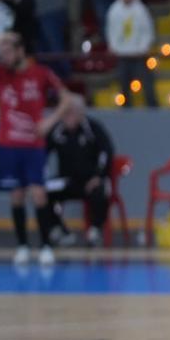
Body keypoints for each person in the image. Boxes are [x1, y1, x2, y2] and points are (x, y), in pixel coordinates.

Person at [0, 31, 70, 266]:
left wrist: (50, 121)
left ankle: (45, 246)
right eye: (1, 52)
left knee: (39, 194)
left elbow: (66, 98)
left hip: (33, 145)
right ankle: (22, 246)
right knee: (16, 195)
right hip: (8, 144)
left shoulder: (40, 74)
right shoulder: (0, 73)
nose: (3, 56)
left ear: (20, 50)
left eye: (8, 50)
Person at [43, 95, 115, 247]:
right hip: (66, 181)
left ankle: (95, 230)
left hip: (90, 180)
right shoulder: (58, 131)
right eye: (65, 113)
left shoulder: (93, 128)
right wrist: (42, 176)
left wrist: (98, 176)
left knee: (100, 191)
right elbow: (43, 153)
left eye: (71, 113)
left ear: (80, 113)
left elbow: (106, 152)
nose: (67, 117)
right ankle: (59, 230)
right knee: (42, 191)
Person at [105, 0, 158, 108]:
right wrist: (113, 46)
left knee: (147, 85)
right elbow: (110, 30)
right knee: (123, 87)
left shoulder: (141, 10)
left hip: (138, 55)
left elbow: (148, 31)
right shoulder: (114, 10)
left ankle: (154, 109)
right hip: (122, 56)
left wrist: (143, 48)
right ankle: (125, 111)